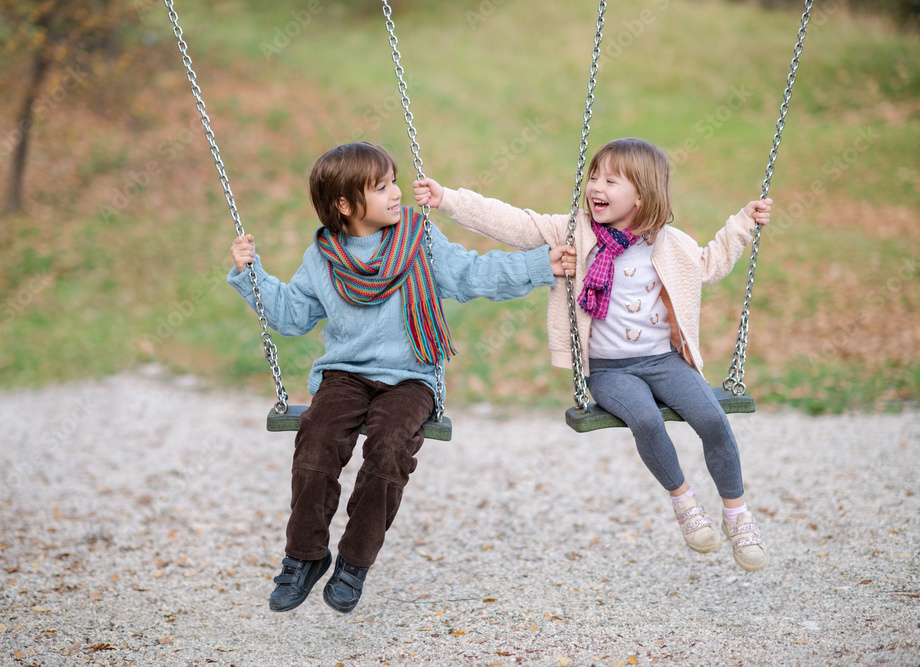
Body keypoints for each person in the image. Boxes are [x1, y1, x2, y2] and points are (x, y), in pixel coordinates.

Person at [228, 141, 569, 613]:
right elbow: (290, 315)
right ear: (345, 206)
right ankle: (304, 555)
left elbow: (473, 273)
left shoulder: (419, 240)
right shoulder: (322, 259)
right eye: (382, 187)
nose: (396, 194)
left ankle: (354, 561)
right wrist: (252, 275)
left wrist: (538, 265)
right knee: (316, 439)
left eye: (393, 182)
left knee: (389, 447)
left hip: (411, 377)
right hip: (345, 374)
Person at [414, 137, 772, 571]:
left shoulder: (670, 243)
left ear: (642, 195)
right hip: (608, 371)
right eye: (594, 176)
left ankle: (737, 515)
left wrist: (742, 224)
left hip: (663, 361)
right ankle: (685, 502)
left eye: (611, 180)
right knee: (644, 418)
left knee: (713, 418)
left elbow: (710, 263)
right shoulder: (575, 233)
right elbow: (513, 222)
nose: (595, 187)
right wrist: (448, 199)